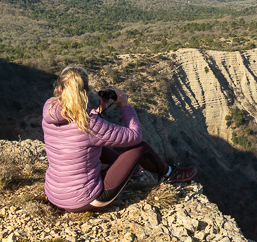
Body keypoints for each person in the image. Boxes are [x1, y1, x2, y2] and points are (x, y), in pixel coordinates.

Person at [41, 64, 196, 211]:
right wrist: (125, 106)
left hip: (55, 195)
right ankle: (170, 173)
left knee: (94, 147)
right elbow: (135, 136)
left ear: (60, 89)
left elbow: (80, 129)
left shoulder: (49, 111)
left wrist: (100, 108)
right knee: (140, 148)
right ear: (87, 91)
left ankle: (131, 169)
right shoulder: (90, 124)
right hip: (85, 200)